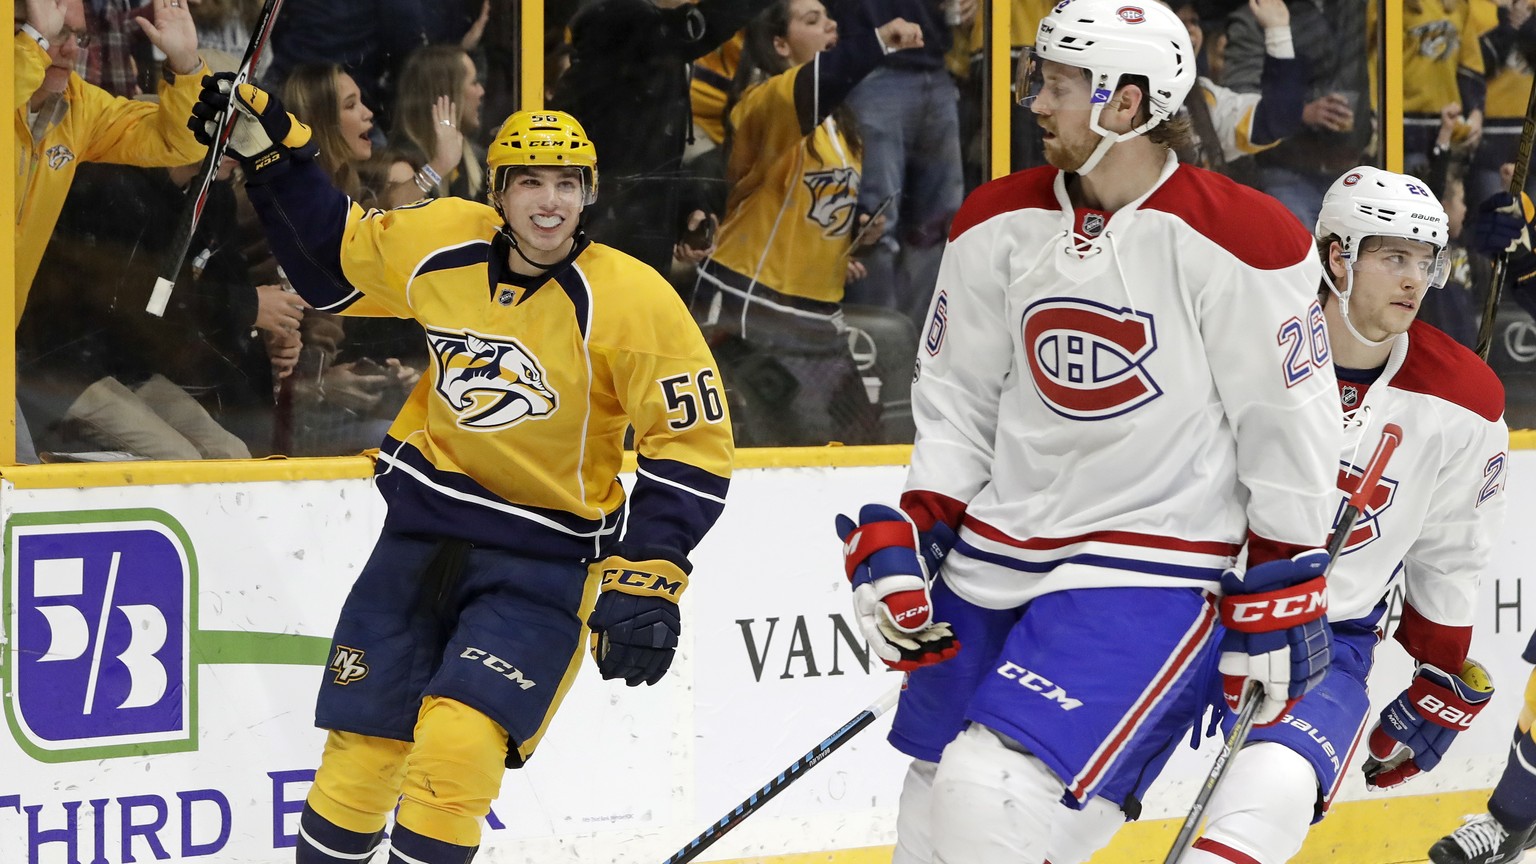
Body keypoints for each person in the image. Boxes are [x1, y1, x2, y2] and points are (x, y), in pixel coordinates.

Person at [831, 2, 1341, 861]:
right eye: (1040, 78)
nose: (1036, 100)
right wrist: (922, 529)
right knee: (930, 810)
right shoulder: (998, 218)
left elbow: (1289, 424)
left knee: (987, 794)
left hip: (1156, 565)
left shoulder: (1243, 237)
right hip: (1000, 554)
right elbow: (957, 399)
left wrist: (1283, 577)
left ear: (1129, 104)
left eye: (1057, 84)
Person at [189, 81, 734, 864]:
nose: (549, 203)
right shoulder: (444, 240)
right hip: (421, 540)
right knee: (362, 753)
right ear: (498, 192)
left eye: (566, 184)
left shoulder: (633, 301)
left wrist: (647, 572)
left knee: (456, 750)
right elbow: (330, 261)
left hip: (545, 560)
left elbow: (691, 447)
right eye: (529, 183)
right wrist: (273, 151)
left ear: (589, 194)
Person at [1054, 167, 1511, 864]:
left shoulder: (1463, 399)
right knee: (1051, 812)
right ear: (1337, 256)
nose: (1414, 280)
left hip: (1321, 644)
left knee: (1275, 795)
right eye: (1393, 257)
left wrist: (1438, 667)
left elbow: (1451, 549)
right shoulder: (1240, 341)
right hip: (1178, 612)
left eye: (1427, 259)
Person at [691, 0, 921, 446]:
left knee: (862, 439)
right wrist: (875, 43)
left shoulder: (841, 124)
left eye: (828, 17)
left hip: (818, 321)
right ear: (779, 44)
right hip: (747, 314)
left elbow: (812, 214)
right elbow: (824, 79)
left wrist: (858, 238)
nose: (831, 24)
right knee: (791, 445)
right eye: (812, 21)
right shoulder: (762, 104)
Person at [551, 0, 778, 275]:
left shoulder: (653, 47)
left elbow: (645, 155)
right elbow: (702, 27)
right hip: (597, 244)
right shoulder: (616, 18)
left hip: (632, 240)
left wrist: (686, 208)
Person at [389, 44, 487, 203]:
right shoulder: (400, 164)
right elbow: (389, 213)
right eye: (474, 83)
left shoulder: (476, 159)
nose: (481, 91)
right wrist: (439, 166)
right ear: (448, 94)